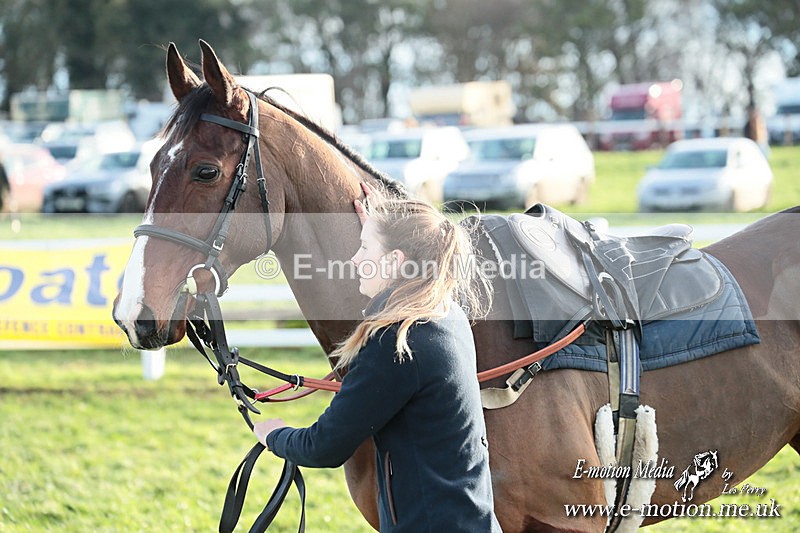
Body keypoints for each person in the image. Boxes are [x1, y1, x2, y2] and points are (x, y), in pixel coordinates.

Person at [253, 184, 500, 532]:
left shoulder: (397, 344)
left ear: (396, 260)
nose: (354, 259)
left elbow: (323, 446)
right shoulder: (446, 315)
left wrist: (274, 434)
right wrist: (382, 229)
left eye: (364, 247)